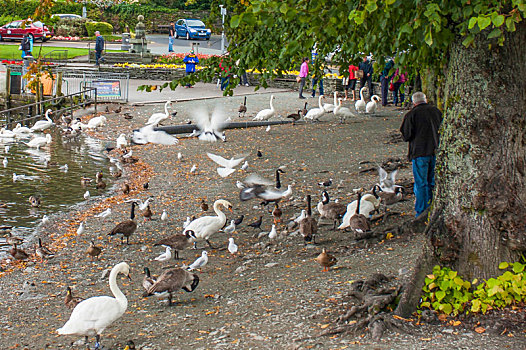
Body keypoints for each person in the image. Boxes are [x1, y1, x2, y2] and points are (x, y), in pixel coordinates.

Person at [400, 92, 443, 217]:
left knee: (421, 183)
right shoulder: (436, 111)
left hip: (419, 152)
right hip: (435, 150)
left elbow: (406, 135)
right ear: (426, 99)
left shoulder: (411, 115)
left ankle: (421, 211)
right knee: (432, 182)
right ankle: (431, 206)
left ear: (414, 102)